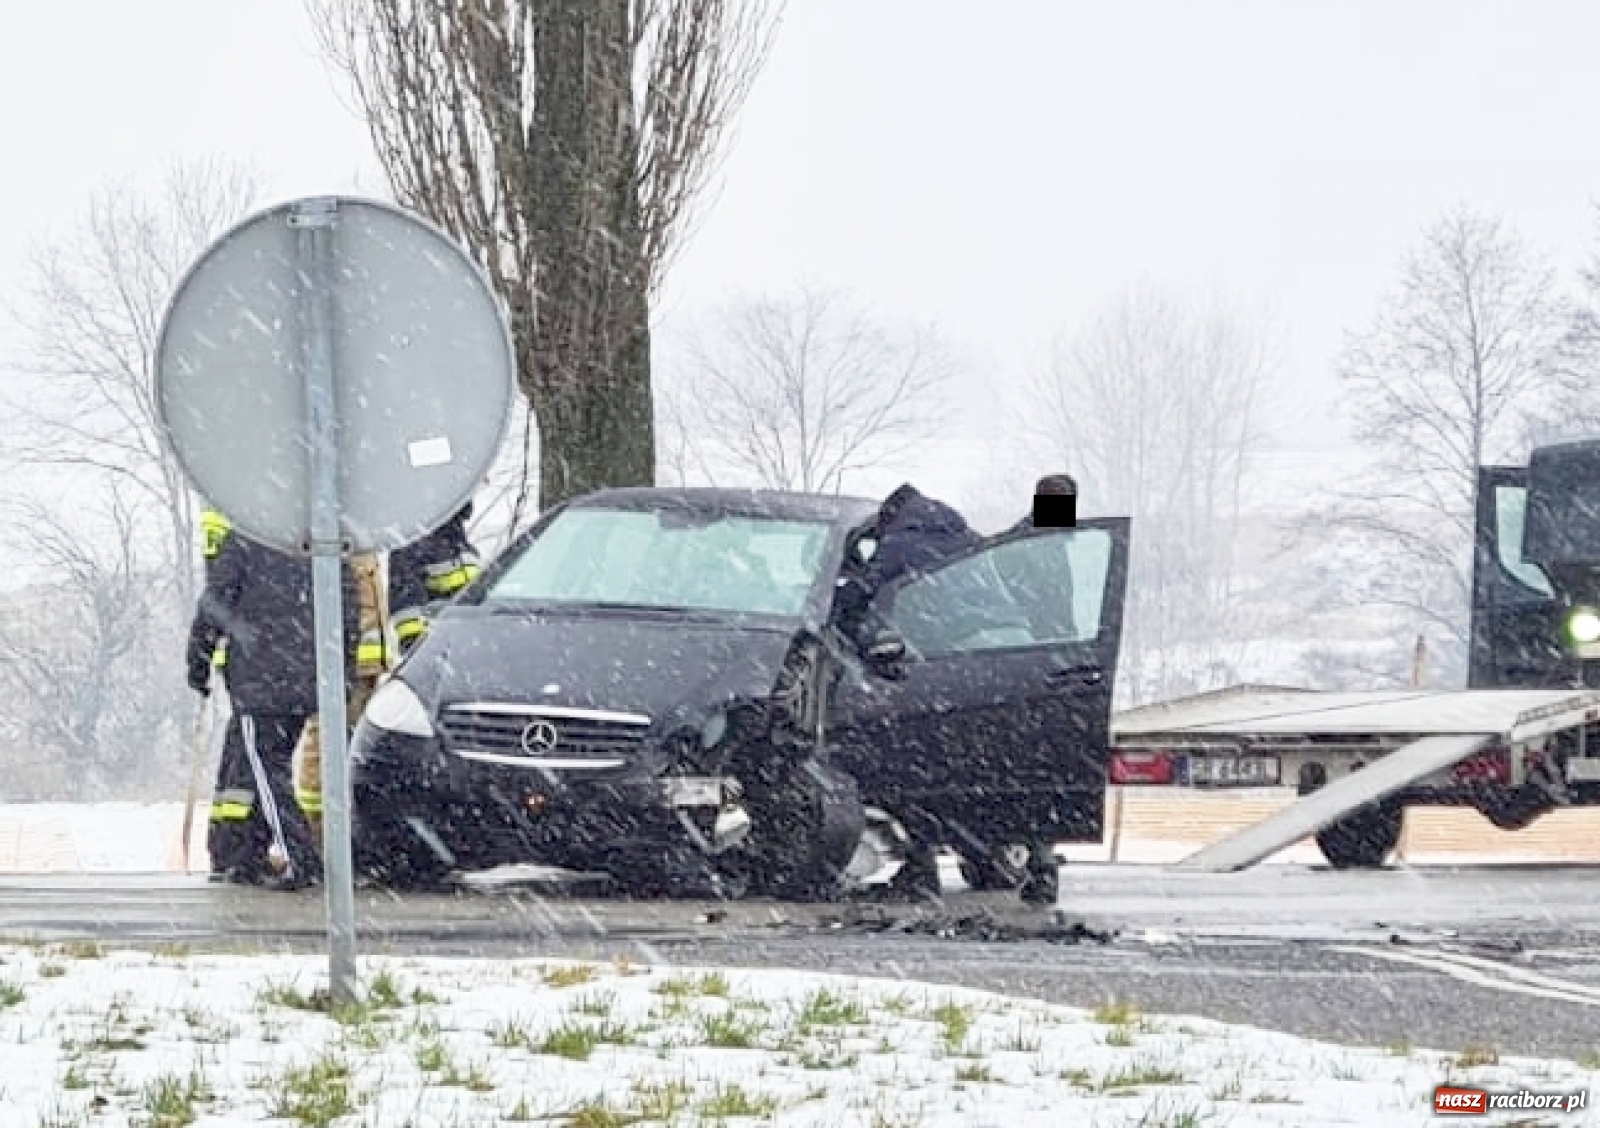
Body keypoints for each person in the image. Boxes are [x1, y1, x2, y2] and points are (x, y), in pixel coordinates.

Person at [186, 522, 360, 890]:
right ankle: (252, 854)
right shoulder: (317, 544)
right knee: (271, 769)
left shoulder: (246, 539)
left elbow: (213, 608)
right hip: (307, 681)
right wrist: (341, 675)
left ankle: (299, 857)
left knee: (267, 773)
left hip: (258, 683)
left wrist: (198, 667)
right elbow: (348, 613)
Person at [388, 501, 482, 656]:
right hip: (443, 648)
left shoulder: (461, 543)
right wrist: (415, 646)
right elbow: (406, 605)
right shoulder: (409, 546)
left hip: (469, 640)